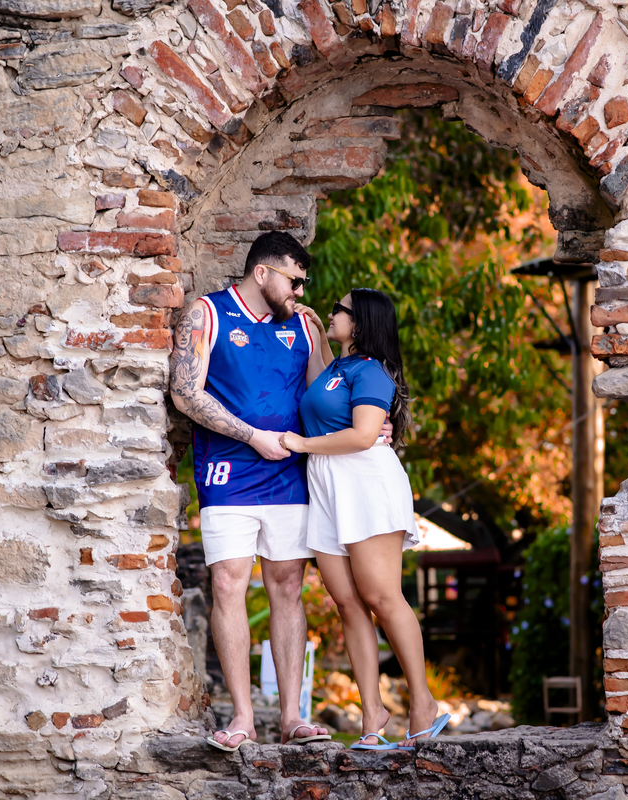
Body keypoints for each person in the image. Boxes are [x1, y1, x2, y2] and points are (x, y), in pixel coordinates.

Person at [170, 231, 334, 750]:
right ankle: (242, 717)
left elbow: (327, 396)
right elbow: (183, 392)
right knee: (228, 586)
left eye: (304, 283)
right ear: (262, 273)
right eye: (294, 280)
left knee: (287, 587)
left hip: (288, 475)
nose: (301, 292)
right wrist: (251, 435)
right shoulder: (208, 313)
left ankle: (291, 717)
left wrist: (376, 426)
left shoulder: (302, 327)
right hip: (226, 470)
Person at [280, 289, 450, 751]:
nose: (331, 311)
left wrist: (300, 444)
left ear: (360, 323)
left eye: (339, 309)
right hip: (328, 488)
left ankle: (423, 703)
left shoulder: (372, 372)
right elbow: (319, 391)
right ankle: (372, 714)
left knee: (381, 595)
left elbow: (362, 435)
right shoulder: (337, 369)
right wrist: (316, 330)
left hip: (366, 484)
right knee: (347, 603)